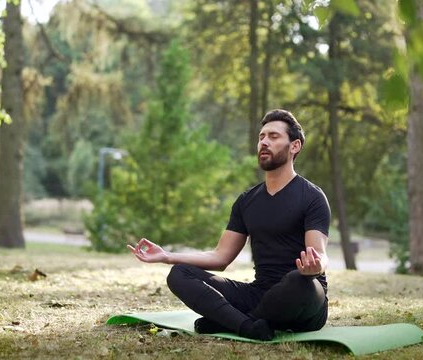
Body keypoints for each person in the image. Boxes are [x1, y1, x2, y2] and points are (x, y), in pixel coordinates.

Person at [128, 109, 331, 341]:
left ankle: (228, 319)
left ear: (294, 146)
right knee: (179, 273)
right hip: (260, 294)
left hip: (304, 297)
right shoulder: (247, 201)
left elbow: (320, 255)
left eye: (273, 137)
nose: (264, 142)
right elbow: (220, 257)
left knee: (297, 281)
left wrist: (315, 267)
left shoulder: (312, 196)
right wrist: (167, 256)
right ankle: (247, 326)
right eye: (261, 137)